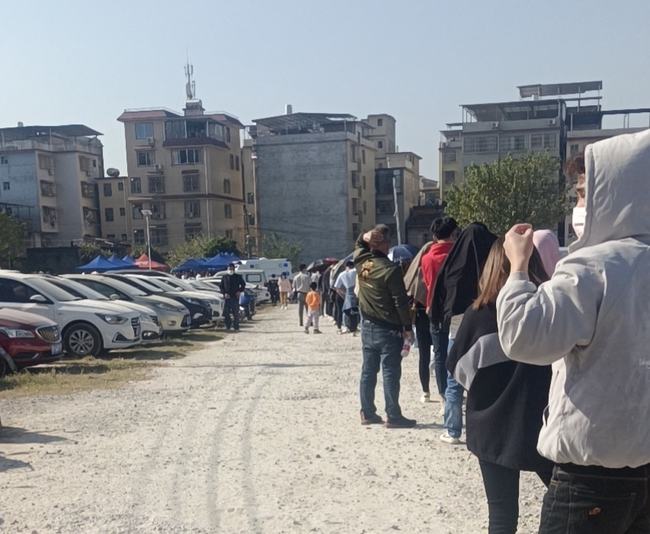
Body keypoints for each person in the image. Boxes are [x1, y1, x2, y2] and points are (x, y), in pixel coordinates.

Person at [498, 135, 650, 533]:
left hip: (590, 475)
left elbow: (523, 337)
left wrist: (518, 267)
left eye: (584, 194)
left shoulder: (592, 267)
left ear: (613, 194)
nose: (578, 206)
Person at [448, 238, 552, 534]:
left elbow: (458, 370)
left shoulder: (479, 314)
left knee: (502, 515)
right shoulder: (547, 309)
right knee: (563, 501)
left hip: (491, 424)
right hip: (542, 422)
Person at [430, 222, 497, 444]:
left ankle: (452, 430)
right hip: (488, 326)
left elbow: (441, 294)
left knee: (454, 380)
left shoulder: (454, 265)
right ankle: (486, 431)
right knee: (487, 380)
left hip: (458, 328)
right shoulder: (494, 263)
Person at [355, 224, 416, 428]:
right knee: (390, 372)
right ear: (385, 244)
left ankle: (367, 412)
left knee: (368, 371)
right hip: (388, 329)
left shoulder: (363, 264)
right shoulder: (390, 270)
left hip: (367, 326)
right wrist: (407, 327)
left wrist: (365, 236)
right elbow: (400, 302)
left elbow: (358, 245)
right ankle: (393, 415)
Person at [421, 217, 458, 407]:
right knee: (460, 351)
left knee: (439, 353)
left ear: (434, 236)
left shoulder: (426, 258)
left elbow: (428, 284)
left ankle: (445, 396)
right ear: (454, 234)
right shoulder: (459, 255)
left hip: (434, 309)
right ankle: (458, 390)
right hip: (458, 309)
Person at [404, 241, 435, 403]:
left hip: (422, 316)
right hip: (433, 315)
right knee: (439, 354)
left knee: (424, 355)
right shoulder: (439, 267)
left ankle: (426, 391)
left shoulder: (417, 272)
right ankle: (432, 390)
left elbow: (410, 292)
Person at [334, 261, 359, 335]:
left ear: (346, 266)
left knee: (346, 311)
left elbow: (337, 287)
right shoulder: (355, 271)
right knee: (355, 311)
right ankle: (354, 328)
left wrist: (344, 294)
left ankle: (347, 327)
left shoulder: (342, 274)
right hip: (356, 291)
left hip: (348, 292)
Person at [219, 263, 246, 332]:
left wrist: (239, 291)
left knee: (235, 313)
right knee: (226, 313)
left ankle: (236, 327)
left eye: (232, 269)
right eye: (229, 268)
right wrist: (224, 293)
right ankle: (228, 326)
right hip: (227, 298)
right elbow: (221, 287)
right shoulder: (224, 277)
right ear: (227, 269)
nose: (230, 270)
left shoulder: (238, 276)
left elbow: (243, 285)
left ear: (234, 269)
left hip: (235, 297)